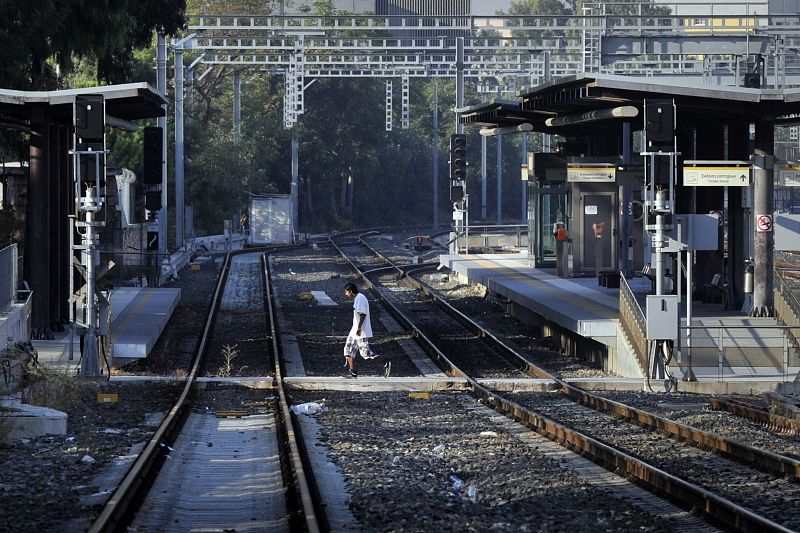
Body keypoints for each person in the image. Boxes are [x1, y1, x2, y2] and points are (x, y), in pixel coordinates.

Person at [343, 282, 390, 378]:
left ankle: (385, 363)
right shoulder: (357, 298)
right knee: (348, 351)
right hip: (354, 331)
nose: (346, 294)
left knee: (366, 354)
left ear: (351, 291)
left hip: (360, 331)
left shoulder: (360, 298)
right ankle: (353, 372)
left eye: (346, 292)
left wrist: (359, 328)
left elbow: (362, 314)